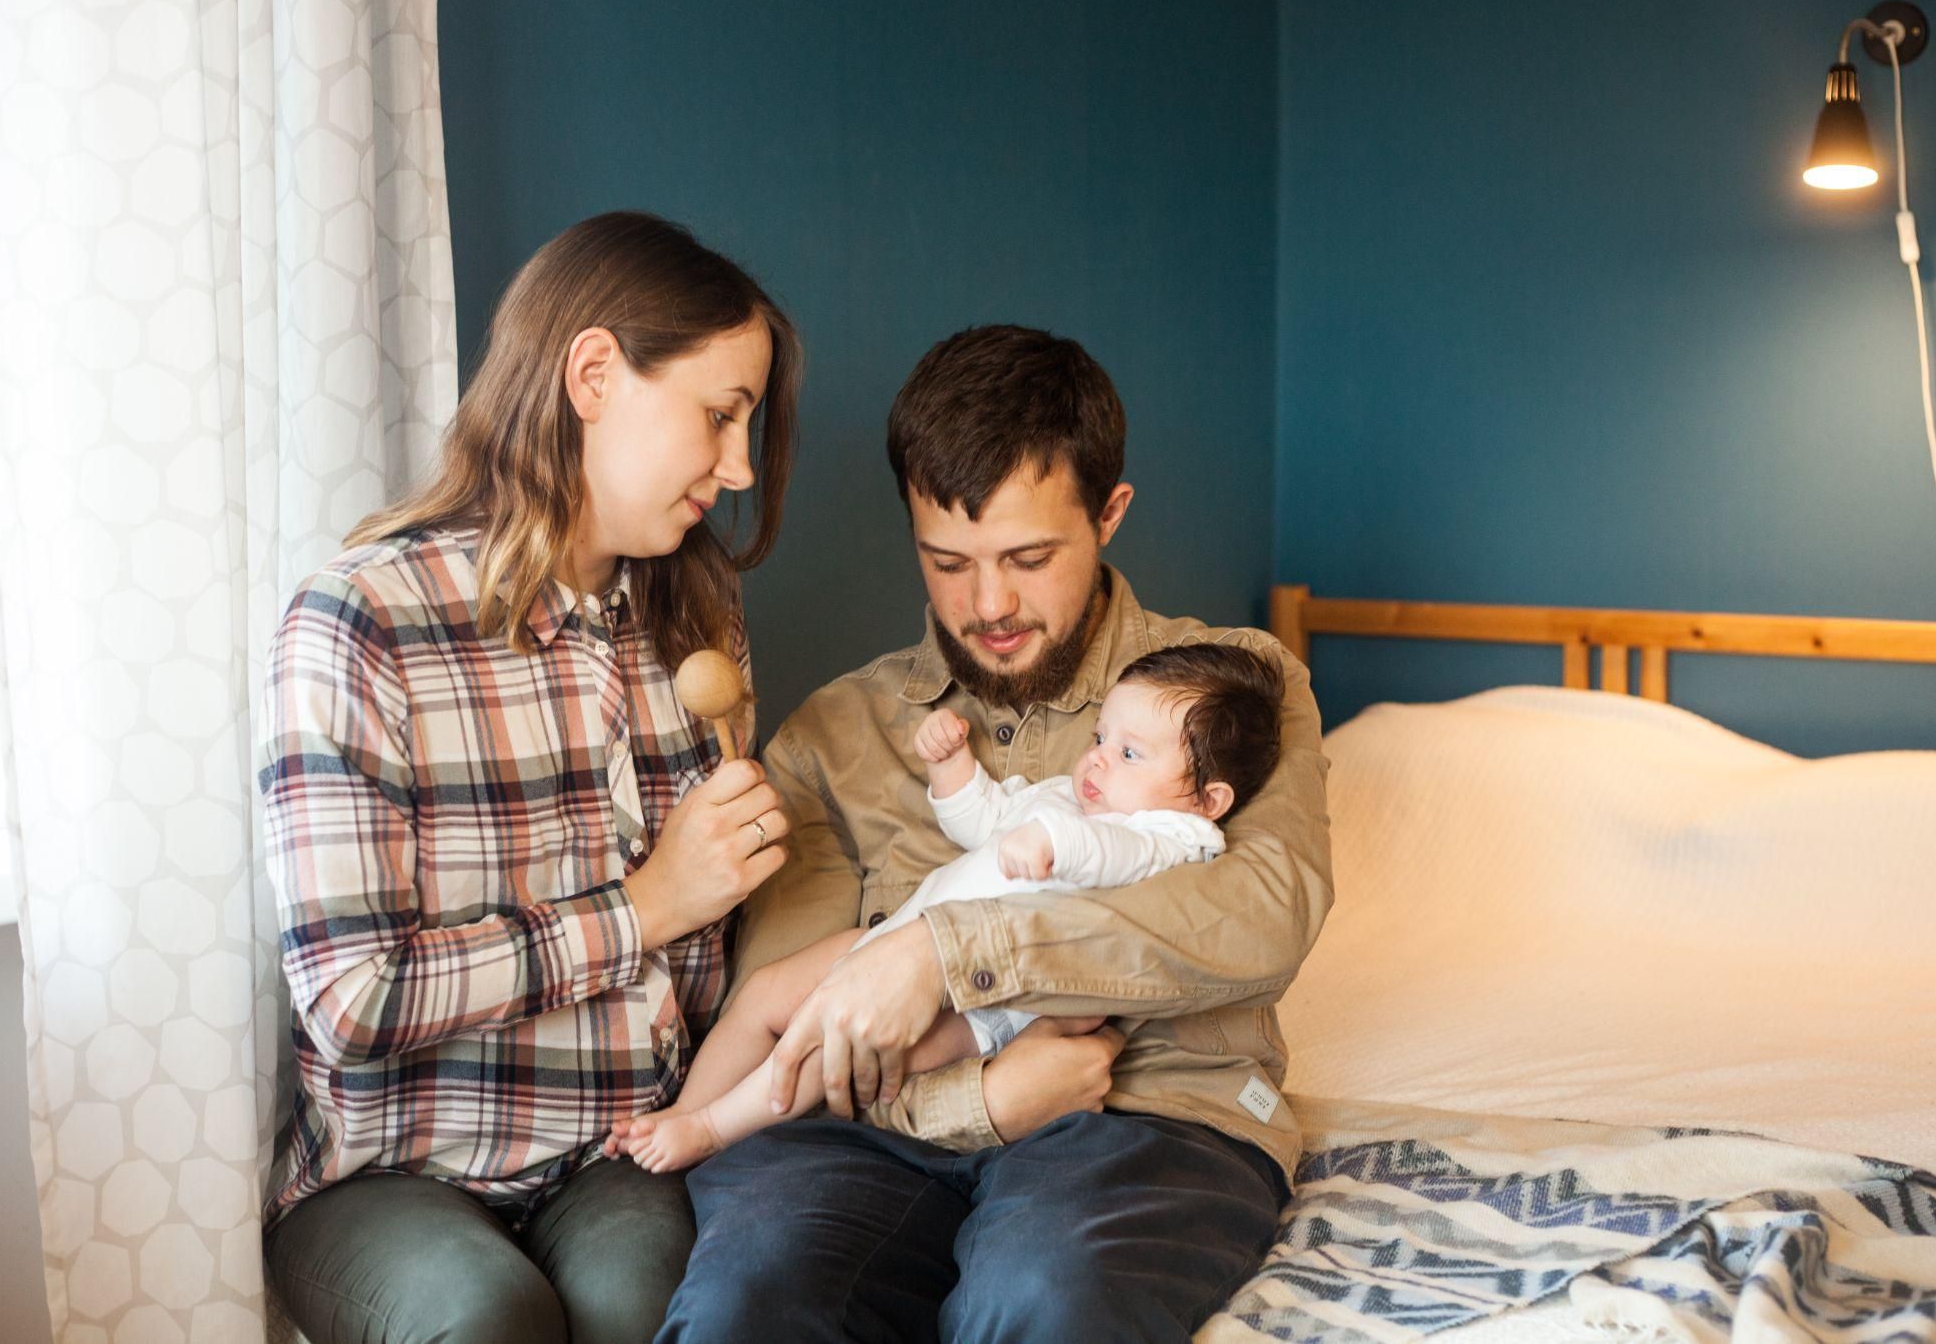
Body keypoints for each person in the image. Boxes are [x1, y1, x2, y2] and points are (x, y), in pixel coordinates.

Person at [658, 324, 1333, 1342]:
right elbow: (804, 1027)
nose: (989, 605)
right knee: (740, 1304)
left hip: (1150, 1119)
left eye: (1027, 557)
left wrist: (947, 955)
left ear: (1108, 514)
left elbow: (1259, 914)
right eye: (947, 561)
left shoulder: (1236, 691)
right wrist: (975, 1102)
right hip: (872, 1138)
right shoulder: (835, 735)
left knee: (1040, 1297)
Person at [256, 211, 801, 1344]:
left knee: (661, 1307)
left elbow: (712, 970)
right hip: (392, 1172)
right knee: (483, 1318)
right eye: (719, 415)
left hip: (612, 1154)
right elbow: (353, 1000)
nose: (739, 467)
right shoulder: (360, 621)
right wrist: (645, 905)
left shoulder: (697, 620)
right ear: (594, 373)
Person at [609, 642, 1286, 1172]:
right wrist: (953, 769)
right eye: (1101, 736)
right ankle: (684, 1115)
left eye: (1130, 751)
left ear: (1208, 798)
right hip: (904, 939)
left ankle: (712, 1128)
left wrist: (1051, 840)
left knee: (837, 1049)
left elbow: (1112, 854)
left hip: (981, 1004)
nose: (1100, 760)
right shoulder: (1069, 795)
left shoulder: (1177, 835)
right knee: (767, 989)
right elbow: (984, 820)